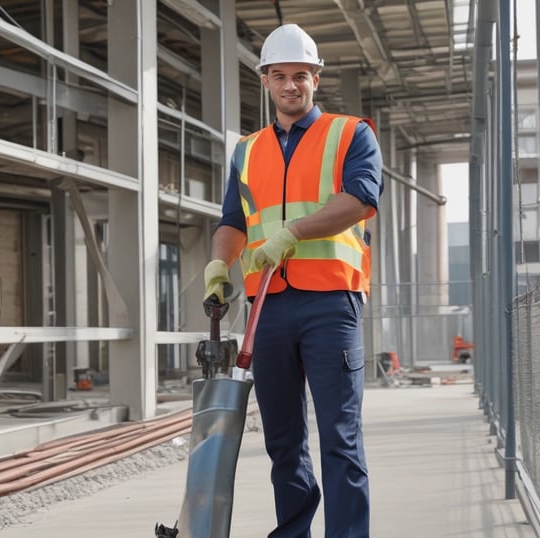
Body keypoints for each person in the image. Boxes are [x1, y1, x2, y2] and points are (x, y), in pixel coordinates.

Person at [202, 23, 383, 538]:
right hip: (269, 307)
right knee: (283, 442)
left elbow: (360, 199)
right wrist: (218, 266)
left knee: (339, 440)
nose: (290, 86)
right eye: (279, 76)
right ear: (264, 81)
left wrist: (293, 233)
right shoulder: (247, 150)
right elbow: (233, 223)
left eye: (300, 75)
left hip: (331, 302)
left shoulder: (351, 133)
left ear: (316, 78)